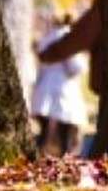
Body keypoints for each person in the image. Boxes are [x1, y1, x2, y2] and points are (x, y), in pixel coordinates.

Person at [31, 12, 91, 157]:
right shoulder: (67, 38)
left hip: (44, 87)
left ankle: (37, 155)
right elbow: (75, 67)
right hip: (63, 88)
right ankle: (65, 157)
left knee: (44, 131)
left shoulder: (46, 39)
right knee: (66, 129)